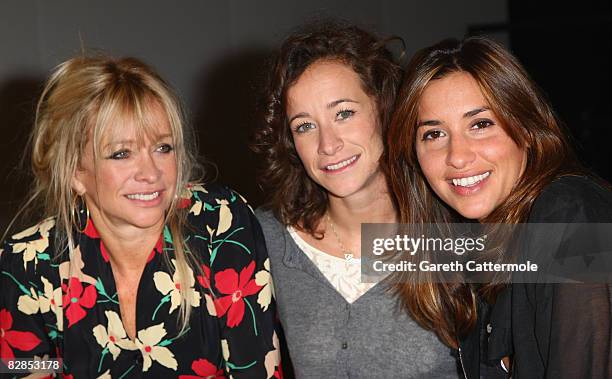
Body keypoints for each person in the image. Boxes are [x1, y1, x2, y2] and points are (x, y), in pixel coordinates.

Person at [0, 56, 281, 378]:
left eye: (163, 148)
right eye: (122, 153)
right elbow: (23, 367)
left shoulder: (219, 220)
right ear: (75, 172)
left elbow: (254, 368)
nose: (151, 173)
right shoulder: (25, 263)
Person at [387, 36, 612, 378]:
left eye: (480, 124)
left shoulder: (568, 213)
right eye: (433, 134)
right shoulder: (475, 249)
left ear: (525, 128)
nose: (458, 156)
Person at [252, 21, 459, 377]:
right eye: (305, 125)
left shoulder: (457, 231)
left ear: (384, 108)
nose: (327, 144)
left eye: (344, 113)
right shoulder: (266, 239)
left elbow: (586, 257)